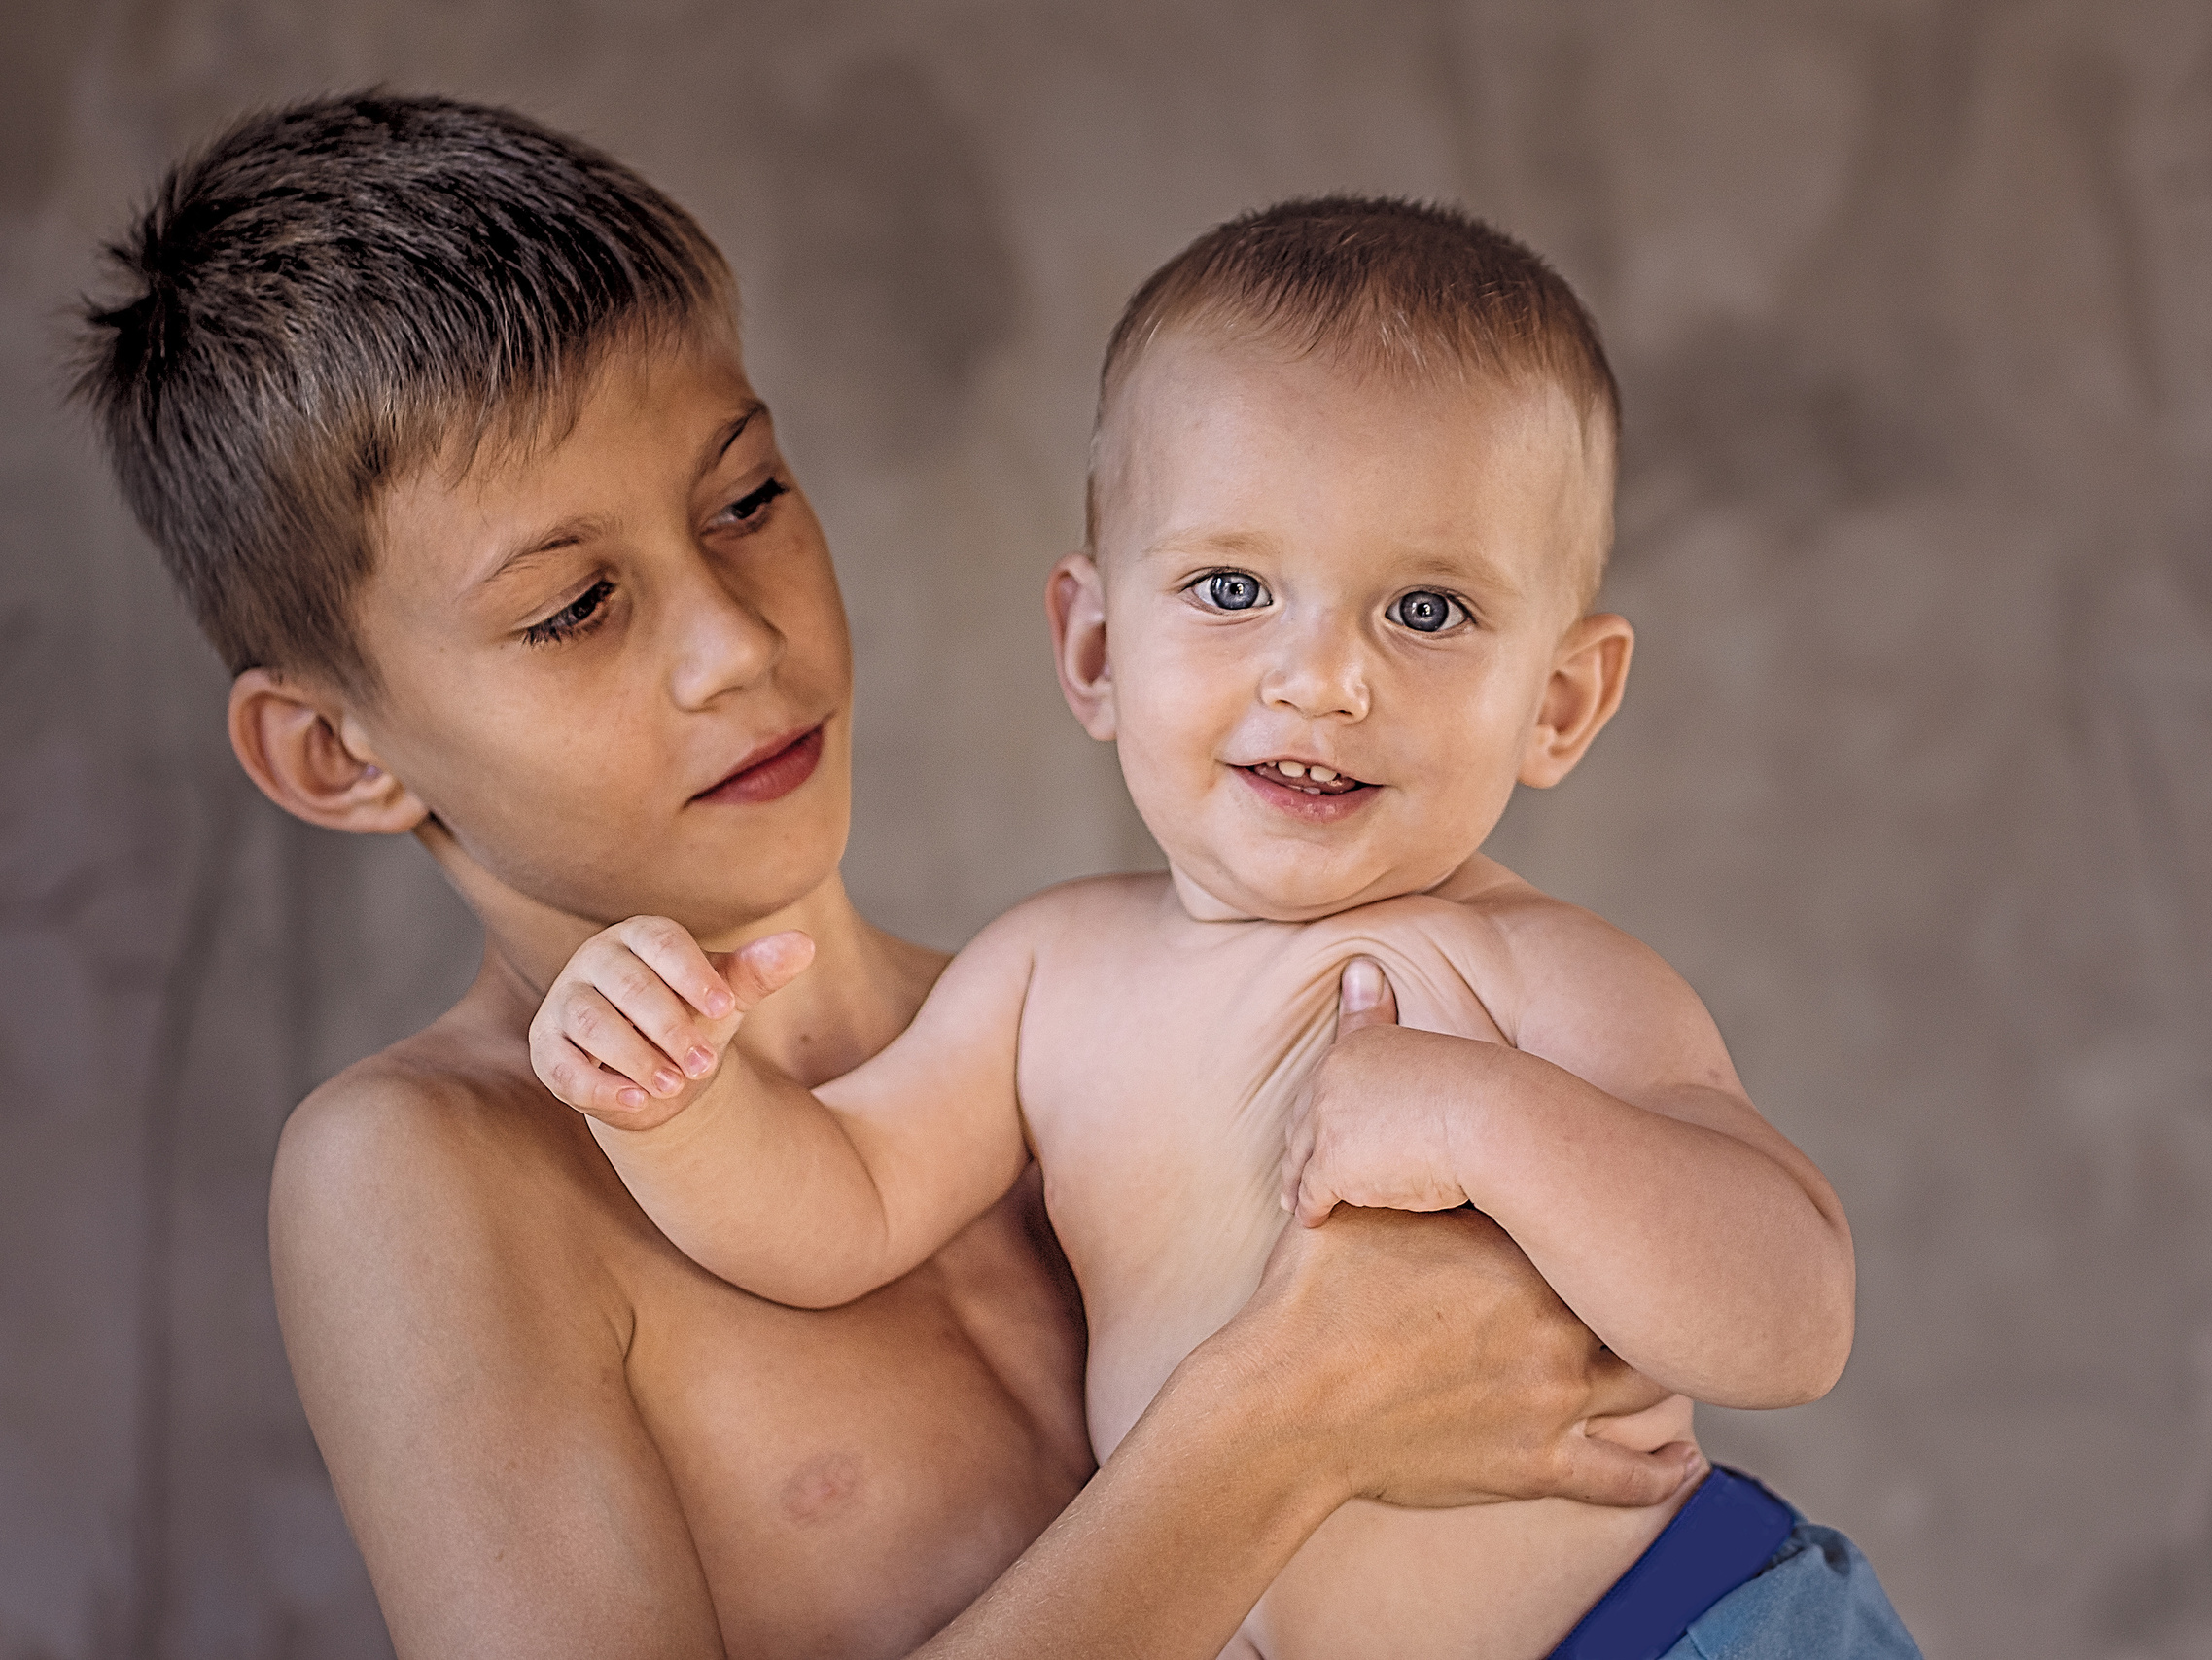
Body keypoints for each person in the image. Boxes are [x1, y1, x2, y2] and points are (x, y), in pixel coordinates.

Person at [69, 96, 1706, 1660]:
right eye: (574, 607)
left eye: (748, 500)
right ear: (337, 755)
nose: (735, 641)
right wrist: (1278, 1431)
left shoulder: (1085, 1024)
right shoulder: (429, 1170)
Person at [534, 199, 1922, 1658]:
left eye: (1429, 611)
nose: (1321, 677)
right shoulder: (1047, 976)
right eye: (1232, 588)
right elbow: (840, 1204)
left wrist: (1482, 1113)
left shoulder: (1536, 973)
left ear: (1561, 701)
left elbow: (1790, 1313)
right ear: (1094, 650)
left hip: (1682, 1629)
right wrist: (674, 1102)